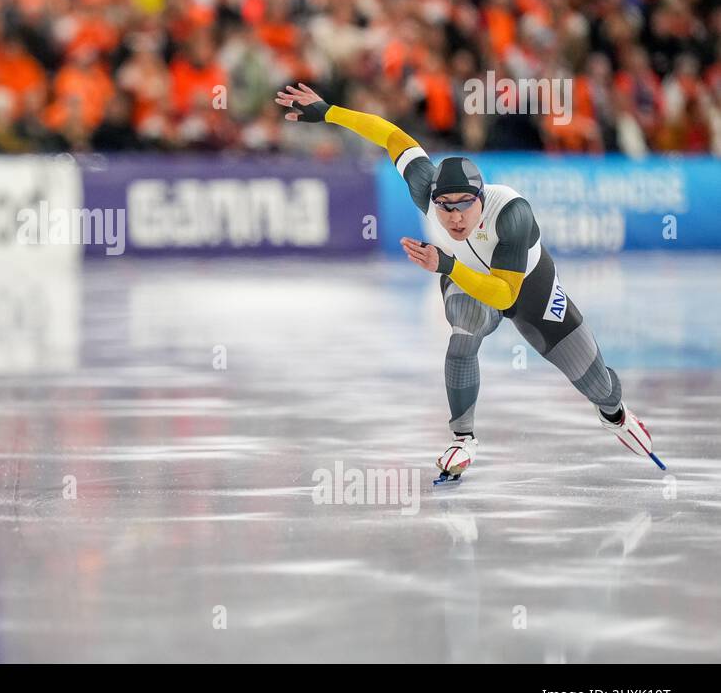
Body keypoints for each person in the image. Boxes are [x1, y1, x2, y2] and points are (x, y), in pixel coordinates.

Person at [276, 83, 659, 481]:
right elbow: (390, 135)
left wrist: (447, 265)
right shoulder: (425, 188)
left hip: (530, 290)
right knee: (464, 333)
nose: (455, 218)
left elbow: (506, 293)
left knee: (600, 387)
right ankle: (463, 438)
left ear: (481, 198)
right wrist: (329, 112)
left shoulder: (511, 214)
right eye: (445, 207)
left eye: (464, 206)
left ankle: (616, 415)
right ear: (432, 199)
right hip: (466, 281)